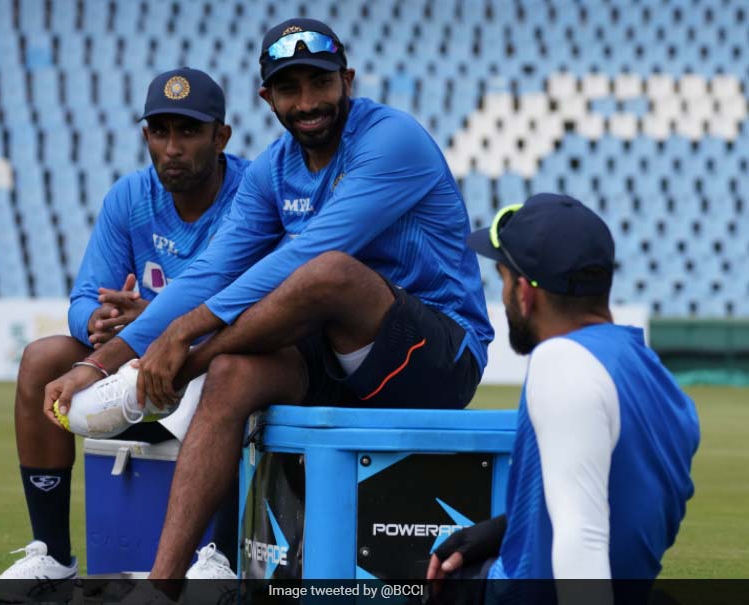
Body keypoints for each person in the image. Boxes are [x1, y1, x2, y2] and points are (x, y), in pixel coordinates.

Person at [43, 18, 495, 579]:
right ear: (267, 97)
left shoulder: (391, 138)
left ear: (347, 79)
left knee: (327, 271)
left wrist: (181, 343)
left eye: (319, 83)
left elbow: (309, 261)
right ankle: (163, 585)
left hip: (440, 355)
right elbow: (209, 272)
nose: (307, 102)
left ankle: (168, 380)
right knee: (233, 373)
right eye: (289, 88)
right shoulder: (272, 171)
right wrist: (96, 362)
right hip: (338, 353)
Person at [0, 67, 250, 582]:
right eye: (160, 131)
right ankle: (53, 558)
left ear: (221, 137)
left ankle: (215, 557)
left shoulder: (251, 194)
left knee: (234, 365)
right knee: (43, 358)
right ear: (145, 134)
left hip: (209, 369)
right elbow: (85, 297)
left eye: (189, 131)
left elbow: (250, 304)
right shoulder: (129, 197)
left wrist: (151, 319)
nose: (172, 147)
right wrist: (100, 320)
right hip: (134, 372)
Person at [427, 194, 699, 600]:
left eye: (502, 280)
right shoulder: (658, 378)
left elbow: (582, 537)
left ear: (525, 292)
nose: (502, 297)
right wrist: (507, 529)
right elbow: (625, 508)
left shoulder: (562, 360)